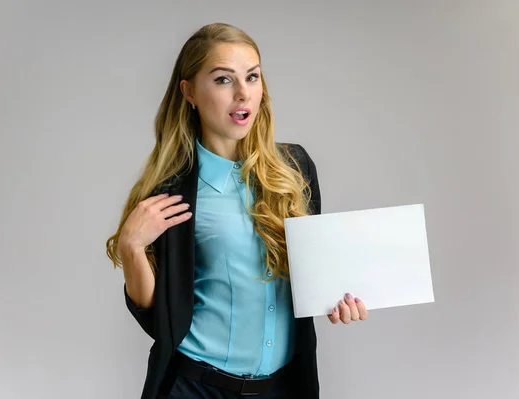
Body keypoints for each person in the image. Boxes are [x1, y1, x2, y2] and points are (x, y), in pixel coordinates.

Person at [106, 22, 368, 399]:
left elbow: (311, 273)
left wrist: (335, 299)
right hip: (195, 387)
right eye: (224, 80)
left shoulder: (295, 169)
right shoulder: (172, 190)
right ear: (190, 92)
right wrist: (132, 247)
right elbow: (157, 316)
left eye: (252, 77)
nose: (243, 94)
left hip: (284, 387)